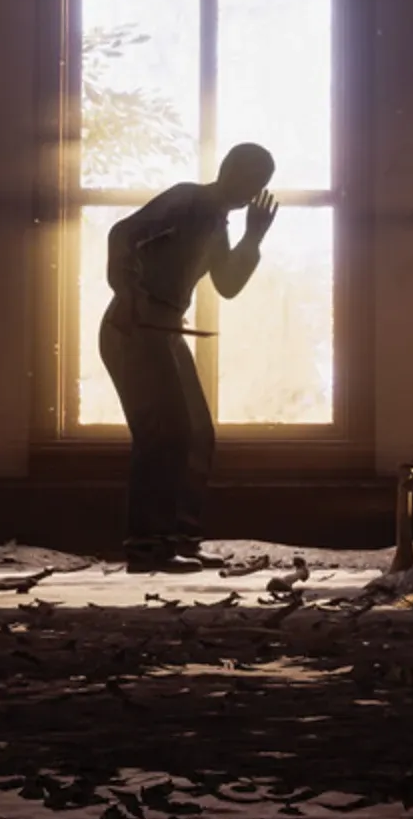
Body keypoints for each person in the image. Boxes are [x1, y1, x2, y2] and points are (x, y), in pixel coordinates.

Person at [99, 143, 280, 571]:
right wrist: (129, 293)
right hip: (135, 325)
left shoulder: (218, 224)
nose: (250, 190)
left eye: (259, 184)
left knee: (197, 432)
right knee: (164, 432)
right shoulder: (187, 199)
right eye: (248, 178)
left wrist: (253, 238)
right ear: (226, 169)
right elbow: (122, 234)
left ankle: (181, 537)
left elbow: (228, 285)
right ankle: (147, 546)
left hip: (166, 330)